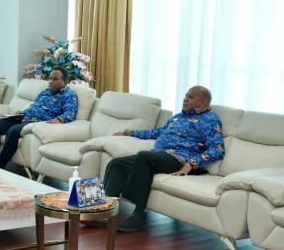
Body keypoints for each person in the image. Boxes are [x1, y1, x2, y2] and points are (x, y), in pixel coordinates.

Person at [84, 86, 225, 232]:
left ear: (203, 102)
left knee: (144, 156)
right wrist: (128, 133)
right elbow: (156, 132)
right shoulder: (178, 117)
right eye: (186, 96)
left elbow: (218, 149)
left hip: (180, 159)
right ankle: (104, 212)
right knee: (116, 164)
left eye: (191, 97)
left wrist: (191, 164)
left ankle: (138, 215)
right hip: (159, 156)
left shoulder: (210, 120)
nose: (185, 99)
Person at [0, 66, 77, 168]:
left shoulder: (69, 95)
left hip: (37, 122)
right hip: (24, 117)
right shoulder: (45, 92)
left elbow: (70, 113)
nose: (51, 81)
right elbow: (34, 107)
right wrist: (22, 113)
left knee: (13, 130)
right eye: (50, 78)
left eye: (55, 79)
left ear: (65, 81)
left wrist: (59, 119)